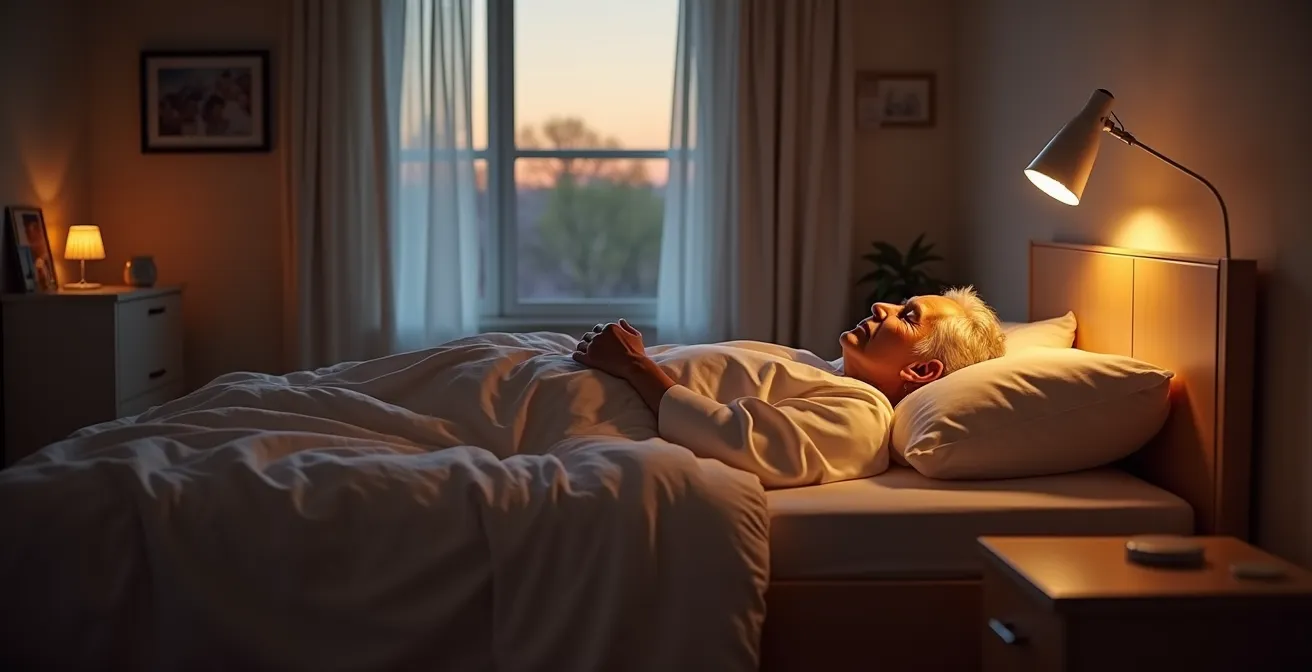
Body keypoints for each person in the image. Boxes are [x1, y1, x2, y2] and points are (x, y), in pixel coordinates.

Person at [571, 287, 1006, 487]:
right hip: (575, 375)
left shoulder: (864, 416)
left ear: (924, 372)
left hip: (585, 406)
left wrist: (633, 364)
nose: (880, 306)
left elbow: (734, 439)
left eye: (907, 316)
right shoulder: (822, 370)